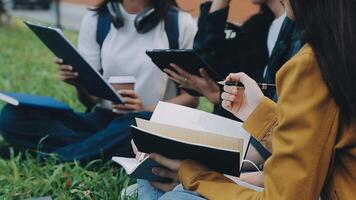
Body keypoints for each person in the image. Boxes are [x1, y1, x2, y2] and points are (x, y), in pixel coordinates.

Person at [141, 0, 356, 198]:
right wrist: (259, 114)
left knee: (175, 195)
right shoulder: (334, 50)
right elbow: (318, 139)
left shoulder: (313, 61)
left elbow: (284, 194)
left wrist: (193, 174)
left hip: (265, 165)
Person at [0, 0, 199, 162]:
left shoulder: (181, 24)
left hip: (148, 123)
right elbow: (90, 102)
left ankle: (56, 157)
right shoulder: (95, 20)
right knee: (12, 115)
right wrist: (78, 82)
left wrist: (145, 107)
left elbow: (191, 98)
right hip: (104, 120)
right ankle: (97, 151)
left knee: (138, 125)